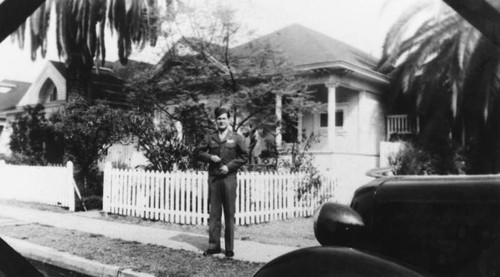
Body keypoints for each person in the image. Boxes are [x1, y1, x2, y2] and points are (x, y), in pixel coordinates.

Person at [194, 107, 248, 258]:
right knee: (214, 214)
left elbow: (244, 157)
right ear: (215, 121)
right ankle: (214, 246)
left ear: (229, 120)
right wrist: (210, 157)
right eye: (219, 119)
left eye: (224, 118)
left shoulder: (237, 138)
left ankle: (229, 248)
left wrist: (229, 167)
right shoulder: (209, 137)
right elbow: (197, 152)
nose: (221, 121)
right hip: (214, 180)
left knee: (229, 214)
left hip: (229, 180)